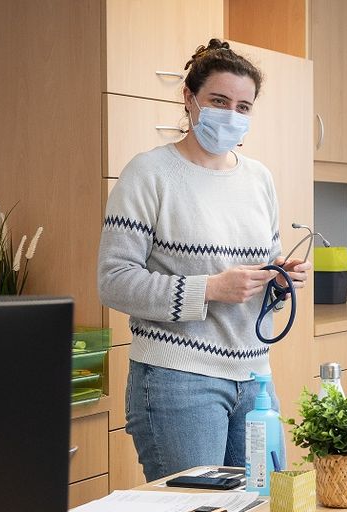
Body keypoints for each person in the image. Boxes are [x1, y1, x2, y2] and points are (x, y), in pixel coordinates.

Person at [97, 39, 310, 481]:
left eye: (243, 106)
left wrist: (277, 278)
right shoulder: (149, 174)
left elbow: (259, 265)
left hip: (255, 379)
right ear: (189, 99)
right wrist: (210, 289)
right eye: (219, 100)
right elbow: (114, 281)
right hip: (178, 381)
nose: (231, 114)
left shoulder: (259, 179)